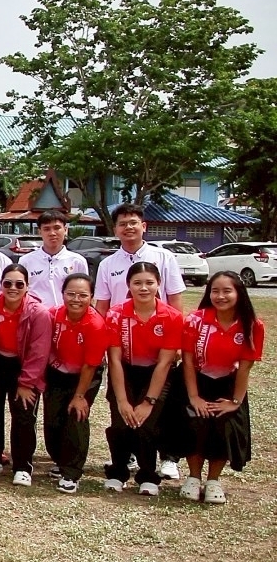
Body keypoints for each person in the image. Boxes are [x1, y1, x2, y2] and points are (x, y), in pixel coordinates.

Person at [94, 203, 186, 481]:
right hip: (123, 346)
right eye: (122, 224)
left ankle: (169, 458)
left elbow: (175, 299)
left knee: (162, 410)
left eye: (133, 222)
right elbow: (102, 305)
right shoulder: (108, 264)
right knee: (122, 406)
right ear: (115, 229)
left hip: (160, 345)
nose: (128, 228)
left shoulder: (164, 257)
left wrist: (178, 342)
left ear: (143, 226)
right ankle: (127, 456)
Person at [179, 271, 264, 504]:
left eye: (227, 291)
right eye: (215, 291)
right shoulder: (195, 320)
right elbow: (187, 361)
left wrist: (235, 402)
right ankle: (193, 477)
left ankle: (214, 480)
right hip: (196, 380)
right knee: (194, 422)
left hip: (228, 384)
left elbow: (245, 368)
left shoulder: (252, 326)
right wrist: (194, 396)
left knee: (225, 425)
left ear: (239, 293)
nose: (220, 296)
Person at [103, 262, 183, 496]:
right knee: (121, 422)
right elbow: (114, 359)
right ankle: (118, 472)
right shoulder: (116, 314)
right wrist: (122, 400)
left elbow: (165, 362)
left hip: (156, 374)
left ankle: (148, 475)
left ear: (159, 284)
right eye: (137, 283)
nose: (144, 288)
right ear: (128, 285)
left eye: (149, 283)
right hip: (124, 371)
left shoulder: (172, 317)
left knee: (147, 424)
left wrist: (148, 401)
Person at [0, 264, 51, 487]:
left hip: (24, 365)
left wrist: (27, 383)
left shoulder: (38, 313)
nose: (13, 288)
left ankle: (23, 466)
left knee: (24, 415)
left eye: (19, 284)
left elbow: (39, 351)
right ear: (0, 285)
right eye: (7, 283)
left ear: (27, 287)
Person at [42, 273, 107, 494]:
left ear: (91, 297)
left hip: (84, 376)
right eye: (70, 294)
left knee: (76, 417)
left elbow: (90, 366)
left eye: (82, 295)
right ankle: (60, 462)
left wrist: (80, 396)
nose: (76, 300)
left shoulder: (96, 324)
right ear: (62, 295)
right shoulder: (54, 315)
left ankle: (72, 472)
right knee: (52, 418)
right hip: (57, 373)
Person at [20, 210, 88, 308]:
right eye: (46, 229)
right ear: (40, 232)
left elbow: (84, 294)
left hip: (67, 319)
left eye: (57, 228)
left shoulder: (78, 261)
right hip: (35, 318)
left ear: (65, 230)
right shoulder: (25, 261)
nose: (52, 233)